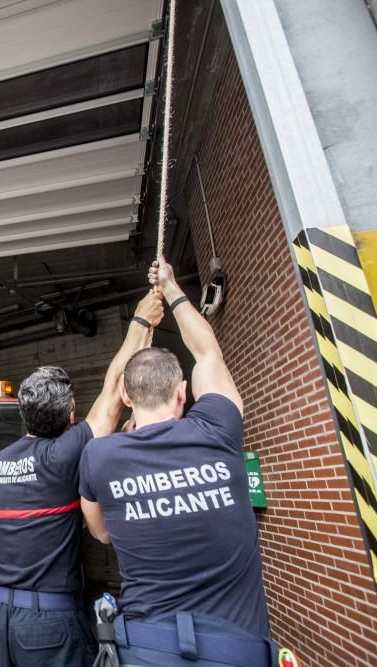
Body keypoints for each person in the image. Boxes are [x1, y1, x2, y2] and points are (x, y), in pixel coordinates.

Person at [79, 259, 273, 666]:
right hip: (237, 651)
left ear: (128, 398)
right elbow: (208, 352)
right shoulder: (218, 430)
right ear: (183, 393)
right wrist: (171, 289)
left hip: (147, 650)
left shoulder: (100, 456)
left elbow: (100, 534)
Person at [0, 288, 165, 667]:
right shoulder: (61, 457)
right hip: (44, 629)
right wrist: (141, 321)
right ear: (69, 419)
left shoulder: (1, 462)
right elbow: (116, 391)